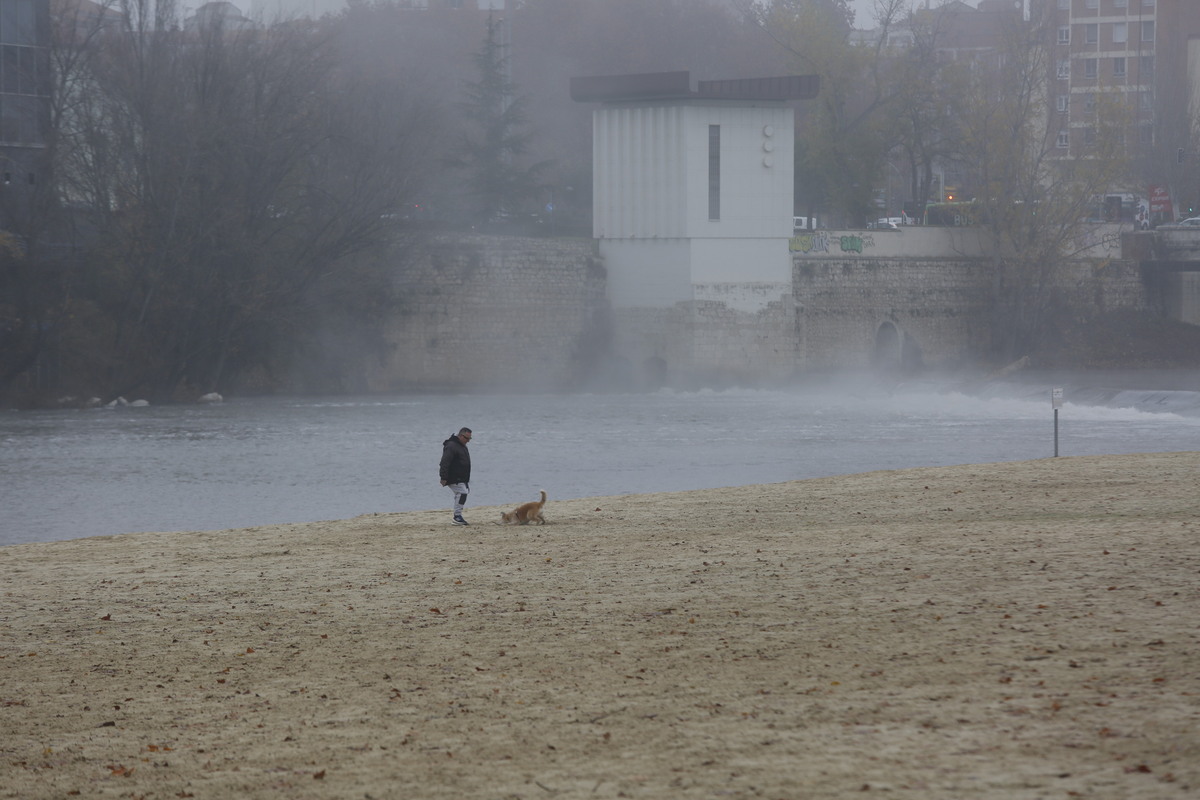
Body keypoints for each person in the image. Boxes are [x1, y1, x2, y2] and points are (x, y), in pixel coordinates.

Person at [439, 427, 473, 526]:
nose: (468, 441)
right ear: (461, 436)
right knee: (462, 492)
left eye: (470, 439)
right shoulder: (451, 446)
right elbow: (444, 462)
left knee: (463, 493)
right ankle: (457, 517)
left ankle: (458, 516)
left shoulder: (462, 445)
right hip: (453, 477)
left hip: (461, 477)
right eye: (467, 438)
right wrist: (443, 477)